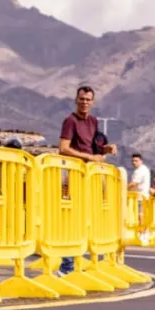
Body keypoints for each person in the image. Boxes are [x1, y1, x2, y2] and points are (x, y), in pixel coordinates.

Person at [56, 86, 118, 274]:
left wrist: (105, 150)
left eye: (88, 99)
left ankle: (84, 262)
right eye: (81, 99)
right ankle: (66, 266)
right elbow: (63, 148)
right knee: (70, 219)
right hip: (71, 175)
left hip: (89, 176)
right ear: (76, 100)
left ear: (93, 102)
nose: (84, 102)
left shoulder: (93, 121)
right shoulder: (70, 121)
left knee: (87, 219)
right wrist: (90, 158)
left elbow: (93, 147)